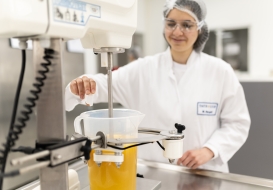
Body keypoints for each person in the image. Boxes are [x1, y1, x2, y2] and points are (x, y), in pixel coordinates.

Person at [65, 0, 250, 173]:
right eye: (171, 24)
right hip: (154, 173)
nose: (177, 32)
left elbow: (237, 123)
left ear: (200, 29)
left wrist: (211, 149)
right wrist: (83, 84)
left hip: (205, 173)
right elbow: (103, 84)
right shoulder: (143, 69)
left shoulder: (220, 71)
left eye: (187, 25)